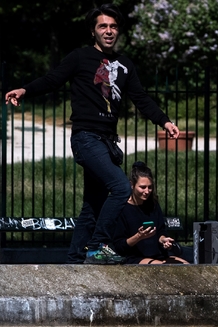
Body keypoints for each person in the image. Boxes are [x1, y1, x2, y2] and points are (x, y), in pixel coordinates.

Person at [4, 4, 179, 264]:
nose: (108, 31)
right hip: (86, 138)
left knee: (93, 206)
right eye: (103, 26)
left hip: (107, 142)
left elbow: (141, 98)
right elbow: (53, 80)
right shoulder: (80, 57)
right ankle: (97, 246)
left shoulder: (124, 64)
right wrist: (25, 90)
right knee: (121, 188)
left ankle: (75, 260)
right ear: (93, 31)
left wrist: (164, 121)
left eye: (113, 26)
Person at [112, 161, 188, 264]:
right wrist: (139, 236)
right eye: (142, 187)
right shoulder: (123, 208)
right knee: (161, 267)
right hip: (134, 257)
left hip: (158, 255)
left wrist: (164, 240)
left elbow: (160, 231)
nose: (147, 191)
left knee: (186, 266)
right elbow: (119, 245)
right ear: (132, 185)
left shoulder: (153, 205)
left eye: (150, 187)